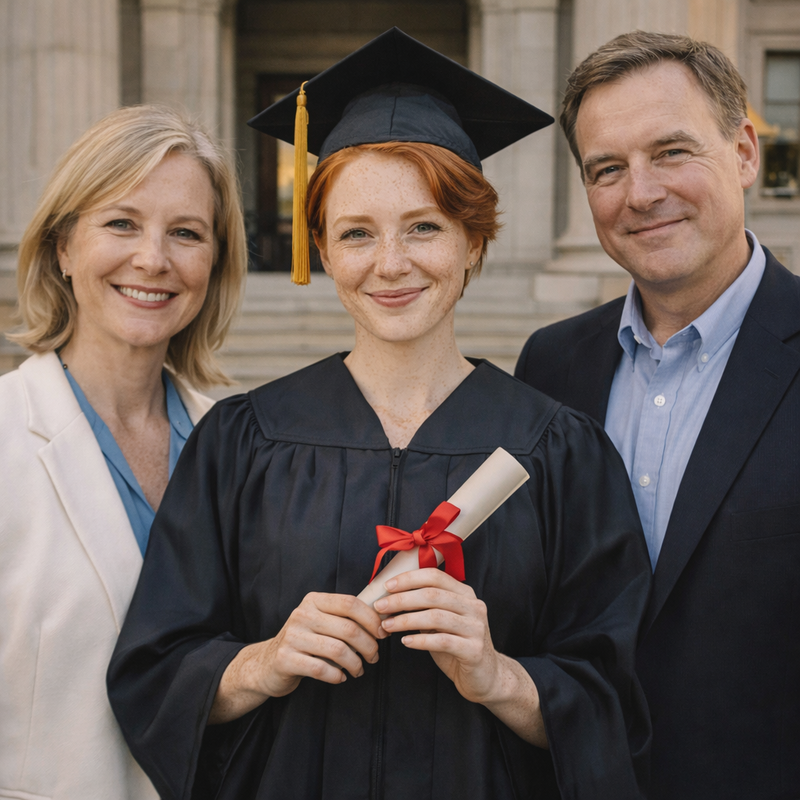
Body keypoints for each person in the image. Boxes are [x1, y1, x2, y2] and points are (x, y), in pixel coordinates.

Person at [108, 29, 651, 800]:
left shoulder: (558, 451)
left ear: (472, 241)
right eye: (356, 233)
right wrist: (267, 660)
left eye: (424, 226)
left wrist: (496, 675)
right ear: (323, 251)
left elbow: (615, 704)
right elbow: (154, 672)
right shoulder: (244, 441)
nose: (390, 263)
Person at [515, 30, 800, 800]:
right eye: (607, 168)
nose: (640, 193)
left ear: (744, 152)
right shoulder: (550, 364)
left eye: (671, 152)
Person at [0, 104, 247, 800]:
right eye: (121, 222)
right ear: (62, 247)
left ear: (214, 259)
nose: (153, 259)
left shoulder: (241, 444)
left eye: (187, 233)